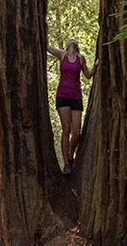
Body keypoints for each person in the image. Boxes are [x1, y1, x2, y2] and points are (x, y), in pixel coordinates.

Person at [47, 38, 98, 175]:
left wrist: (96, 66)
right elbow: (47, 47)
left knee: (76, 132)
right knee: (66, 129)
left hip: (76, 96)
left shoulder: (80, 58)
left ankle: (70, 154)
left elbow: (87, 75)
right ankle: (66, 164)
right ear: (67, 45)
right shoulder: (62, 54)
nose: (72, 41)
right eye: (70, 40)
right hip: (62, 95)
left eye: (74, 41)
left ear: (77, 46)